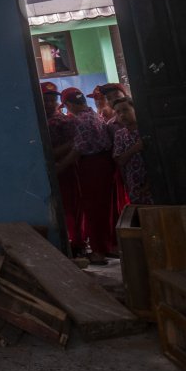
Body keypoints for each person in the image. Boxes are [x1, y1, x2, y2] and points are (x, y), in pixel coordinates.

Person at [61, 86, 118, 263]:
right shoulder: (93, 114)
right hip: (105, 163)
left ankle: (98, 252)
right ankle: (107, 246)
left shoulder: (78, 120)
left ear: (68, 104)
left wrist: (60, 166)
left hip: (92, 166)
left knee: (93, 209)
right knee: (104, 208)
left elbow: (78, 148)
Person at [42, 83, 83, 255]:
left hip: (64, 168)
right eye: (47, 100)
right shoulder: (38, 120)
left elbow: (75, 144)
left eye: (53, 100)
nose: (51, 103)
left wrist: (52, 155)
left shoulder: (65, 121)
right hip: (49, 170)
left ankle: (76, 243)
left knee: (71, 206)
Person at [111, 98, 154, 205]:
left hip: (154, 185)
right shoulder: (120, 135)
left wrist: (149, 184)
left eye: (125, 110)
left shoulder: (148, 130)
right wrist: (135, 148)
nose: (121, 115)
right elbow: (120, 160)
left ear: (136, 109)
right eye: (118, 112)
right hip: (134, 187)